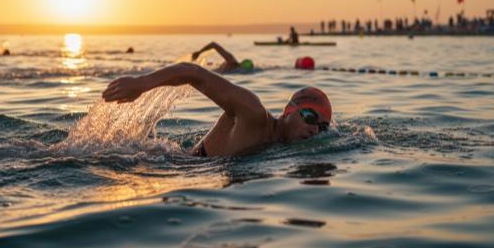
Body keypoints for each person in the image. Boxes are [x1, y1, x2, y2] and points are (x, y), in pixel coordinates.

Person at [102, 63, 331, 157]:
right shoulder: (252, 112)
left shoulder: (279, 145)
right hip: (174, 166)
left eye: (322, 127)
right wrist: (140, 84)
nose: (315, 130)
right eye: (310, 117)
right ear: (289, 111)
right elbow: (193, 73)